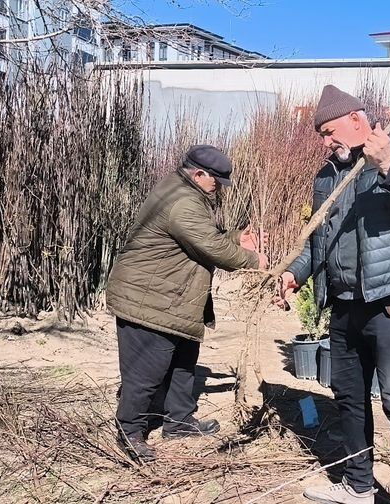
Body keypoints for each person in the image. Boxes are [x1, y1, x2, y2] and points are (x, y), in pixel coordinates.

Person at [278, 85, 390, 504]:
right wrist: (296, 272)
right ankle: (358, 485)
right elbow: (319, 242)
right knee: (350, 399)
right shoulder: (327, 176)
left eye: (329, 131)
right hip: (345, 305)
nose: (324, 141)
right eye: (321, 134)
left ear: (356, 120)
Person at [106, 145, 267, 462]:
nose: (218, 187)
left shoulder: (183, 192)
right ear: (199, 174)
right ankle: (130, 431)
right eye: (216, 180)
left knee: (183, 361)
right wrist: (254, 259)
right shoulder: (184, 201)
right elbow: (211, 247)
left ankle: (179, 422)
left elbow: (206, 235)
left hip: (170, 299)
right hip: (149, 301)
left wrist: (235, 237)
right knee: (145, 372)